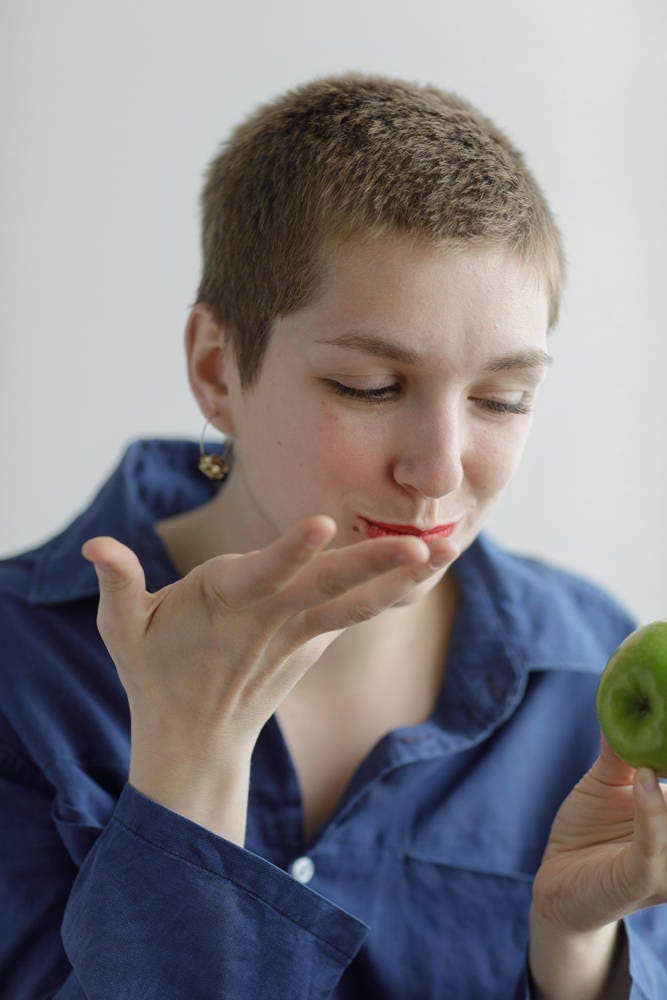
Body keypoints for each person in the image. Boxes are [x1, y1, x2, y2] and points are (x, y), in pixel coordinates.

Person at [0, 71, 664, 999]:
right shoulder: (20, 673)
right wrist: (189, 767)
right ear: (216, 369)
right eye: (369, 387)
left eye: (500, 400)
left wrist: (574, 948)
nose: (438, 470)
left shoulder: (587, 669)